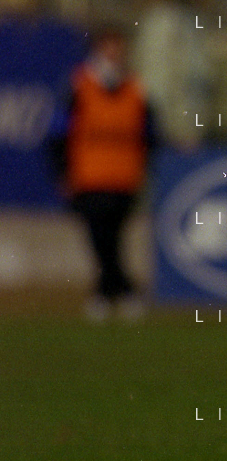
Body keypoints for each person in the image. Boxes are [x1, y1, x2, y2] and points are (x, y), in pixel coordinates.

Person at [50, 26, 155, 319]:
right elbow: (58, 133)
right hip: (89, 175)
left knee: (113, 238)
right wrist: (63, 171)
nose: (114, 53)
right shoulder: (79, 84)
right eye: (108, 47)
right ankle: (122, 291)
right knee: (100, 238)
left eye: (118, 47)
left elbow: (150, 134)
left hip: (125, 176)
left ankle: (105, 293)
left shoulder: (136, 87)